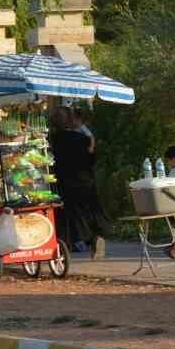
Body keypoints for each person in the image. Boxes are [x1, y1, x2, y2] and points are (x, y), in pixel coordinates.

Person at [48, 106, 109, 259]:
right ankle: (96, 236)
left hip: (65, 183)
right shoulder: (83, 139)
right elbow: (92, 159)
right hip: (86, 181)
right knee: (90, 211)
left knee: (70, 216)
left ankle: (70, 244)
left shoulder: (51, 141)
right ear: (69, 121)